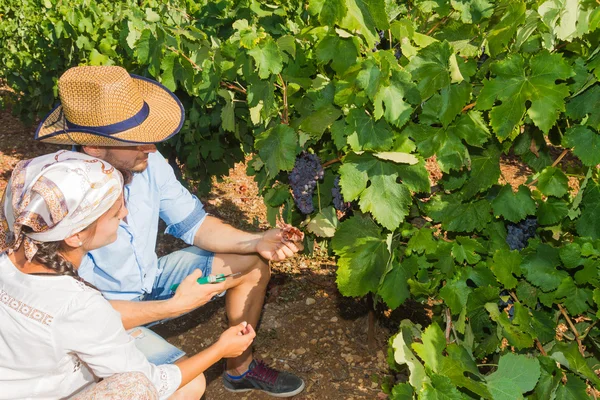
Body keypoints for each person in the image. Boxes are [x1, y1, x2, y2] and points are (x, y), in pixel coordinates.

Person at [35, 65, 306, 397]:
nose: (149, 147)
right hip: (106, 318)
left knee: (251, 263)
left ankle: (240, 369)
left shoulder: (147, 162)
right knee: (186, 386)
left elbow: (194, 224)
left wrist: (257, 241)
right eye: (134, 141)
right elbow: (77, 317)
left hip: (149, 282)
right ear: (92, 148)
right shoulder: (63, 200)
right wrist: (173, 306)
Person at [0, 151, 255, 400]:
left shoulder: (9, 261)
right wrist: (220, 348)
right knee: (179, 387)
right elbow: (151, 384)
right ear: (75, 235)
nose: (125, 214)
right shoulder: (80, 306)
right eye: (114, 212)